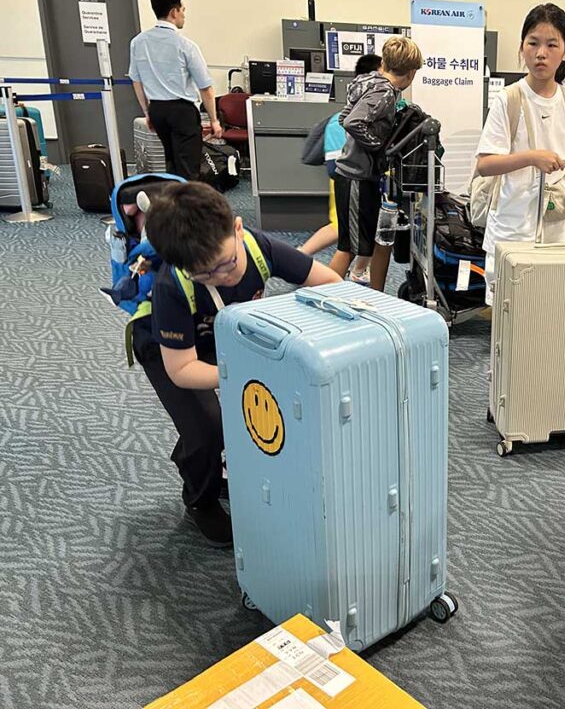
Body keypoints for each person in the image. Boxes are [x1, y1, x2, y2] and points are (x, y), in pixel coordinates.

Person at [134, 182, 340, 546]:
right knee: (210, 427)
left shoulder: (258, 248)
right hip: (169, 350)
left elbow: (329, 283)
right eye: (207, 274)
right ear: (185, 268)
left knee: (256, 410)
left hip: (222, 335)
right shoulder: (172, 286)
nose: (223, 276)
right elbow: (182, 371)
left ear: (238, 228)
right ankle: (200, 500)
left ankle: (198, 458)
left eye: (227, 263)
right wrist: (245, 374)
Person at [475, 3, 565, 306]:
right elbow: (485, 164)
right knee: (509, 310)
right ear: (522, 47)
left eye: (551, 44)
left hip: (556, 225)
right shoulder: (509, 99)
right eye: (533, 43)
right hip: (512, 224)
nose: (540, 53)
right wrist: (532, 157)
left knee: (548, 309)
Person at [330, 36, 422, 291]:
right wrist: (378, 147)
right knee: (348, 248)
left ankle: (366, 293)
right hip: (356, 175)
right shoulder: (384, 92)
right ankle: (321, 294)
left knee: (363, 242)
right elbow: (352, 122)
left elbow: (345, 116)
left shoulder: (370, 83)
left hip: (356, 172)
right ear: (412, 73)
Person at [299, 53, 383, 286]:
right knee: (344, 235)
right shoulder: (358, 115)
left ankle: (353, 272)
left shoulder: (347, 111)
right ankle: (312, 272)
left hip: (346, 177)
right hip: (351, 179)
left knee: (353, 234)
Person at [128, 0, 222, 180]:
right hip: (182, 112)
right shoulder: (185, 45)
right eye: (183, 10)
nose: (183, 15)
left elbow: (136, 81)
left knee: (171, 164)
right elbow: (206, 87)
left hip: (157, 110)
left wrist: (147, 112)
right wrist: (214, 120)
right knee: (188, 169)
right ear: (174, 12)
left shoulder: (138, 42)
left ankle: (172, 206)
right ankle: (187, 208)